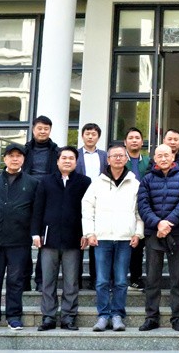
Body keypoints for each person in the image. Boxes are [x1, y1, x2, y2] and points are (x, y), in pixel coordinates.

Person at [0, 143, 39, 330]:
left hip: (19, 240)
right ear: (4, 158)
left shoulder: (32, 183)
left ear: (23, 159)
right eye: (11, 155)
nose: (15, 159)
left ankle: (14, 316)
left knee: (15, 280)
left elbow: (35, 210)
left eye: (19, 156)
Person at [82, 143, 143, 332]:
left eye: (121, 155)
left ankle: (117, 315)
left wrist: (138, 233)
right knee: (101, 281)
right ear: (107, 160)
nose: (118, 158)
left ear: (126, 159)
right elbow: (87, 208)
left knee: (121, 281)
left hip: (125, 238)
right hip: (102, 239)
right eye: (114, 156)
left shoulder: (134, 183)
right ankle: (103, 315)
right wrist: (89, 232)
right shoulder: (97, 183)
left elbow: (139, 211)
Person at [31, 146, 92, 331]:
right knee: (48, 280)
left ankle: (68, 316)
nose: (67, 161)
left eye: (71, 158)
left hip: (74, 239)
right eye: (64, 158)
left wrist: (86, 233)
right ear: (57, 161)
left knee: (71, 281)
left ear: (76, 162)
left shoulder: (84, 182)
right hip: (49, 238)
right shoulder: (45, 181)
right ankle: (48, 317)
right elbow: (38, 208)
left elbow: (88, 211)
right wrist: (35, 233)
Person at [137, 144, 179, 332]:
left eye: (166, 155)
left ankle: (177, 317)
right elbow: (143, 205)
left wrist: (168, 223)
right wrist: (158, 224)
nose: (163, 158)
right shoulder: (147, 179)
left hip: (177, 233)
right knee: (152, 279)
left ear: (173, 156)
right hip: (154, 233)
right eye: (159, 155)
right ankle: (151, 317)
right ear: (154, 158)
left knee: (178, 278)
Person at [21, 115, 60, 291]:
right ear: (33, 129)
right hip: (26, 196)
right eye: (40, 128)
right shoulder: (24, 150)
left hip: (48, 197)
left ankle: (41, 280)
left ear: (50, 130)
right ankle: (24, 279)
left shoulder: (56, 151)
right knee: (23, 241)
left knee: (45, 241)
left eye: (46, 129)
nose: (43, 131)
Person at [76, 123, 106, 290]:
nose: (90, 137)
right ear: (82, 136)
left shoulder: (104, 156)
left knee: (96, 241)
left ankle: (96, 279)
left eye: (93, 134)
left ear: (98, 137)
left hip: (100, 201)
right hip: (78, 200)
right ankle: (77, 279)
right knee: (78, 241)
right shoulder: (75, 155)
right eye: (87, 133)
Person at [123, 127, 149, 292]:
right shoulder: (119, 159)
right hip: (123, 208)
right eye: (131, 138)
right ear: (125, 142)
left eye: (137, 138)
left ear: (142, 142)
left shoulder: (148, 161)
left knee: (138, 244)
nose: (134, 140)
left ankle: (135, 278)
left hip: (143, 207)